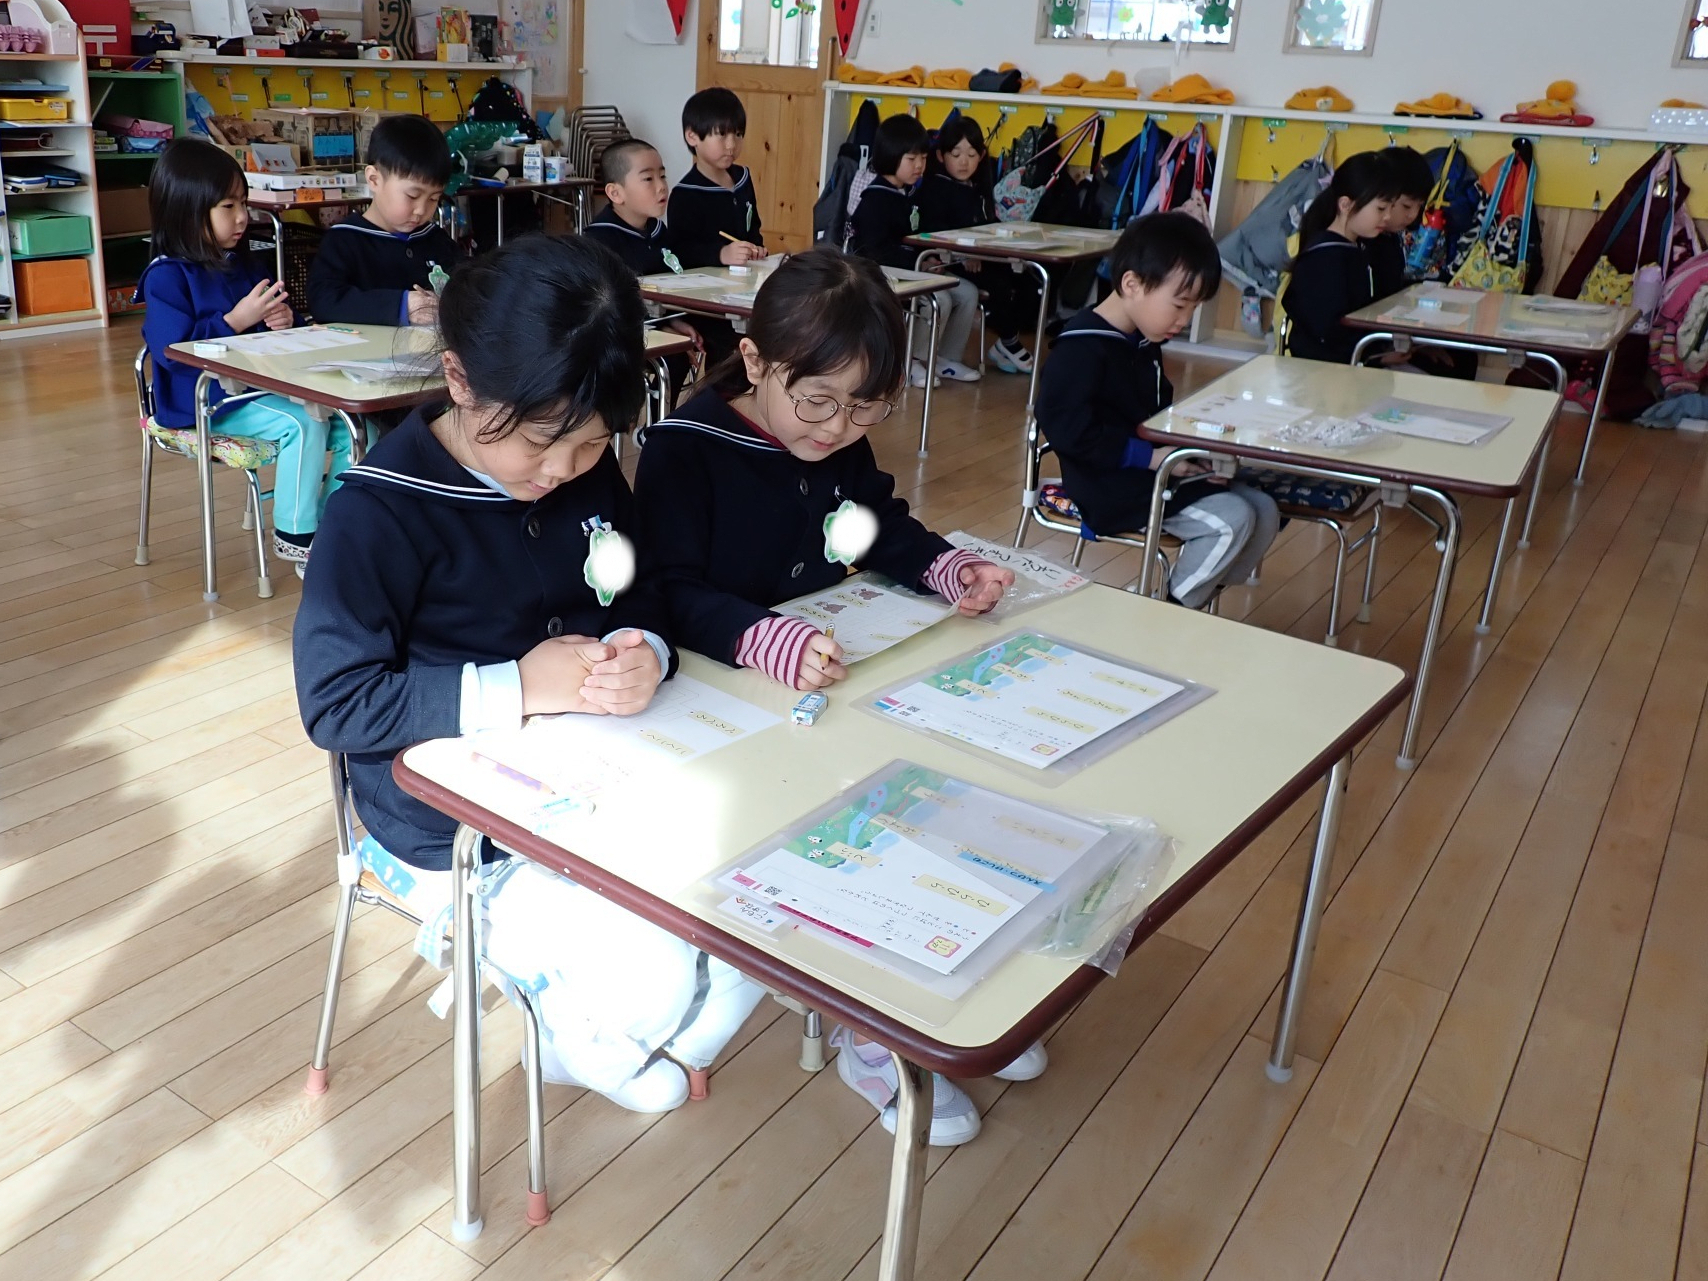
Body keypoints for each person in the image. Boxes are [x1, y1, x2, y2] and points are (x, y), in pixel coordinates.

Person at [293, 234, 765, 1114]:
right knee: (668, 968)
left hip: (598, 781)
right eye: (544, 444)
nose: (562, 472)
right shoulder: (378, 512)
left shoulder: (585, 475)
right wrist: (520, 685)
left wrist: (645, 649)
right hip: (447, 831)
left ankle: (595, 1030)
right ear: (460, 379)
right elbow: (336, 703)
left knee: (756, 914)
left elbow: (639, 586)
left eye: (591, 447)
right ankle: (583, 1035)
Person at [631, 247, 1041, 1146]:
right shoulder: (686, 449)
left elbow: (874, 524)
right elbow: (664, 591)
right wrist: (760, 636)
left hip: (825, 674)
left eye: (866, 407)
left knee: (921, 792)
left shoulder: (839, 431)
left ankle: (948, 980)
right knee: (839, 835)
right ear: (754, 360)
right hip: (723, 697)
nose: (838, 426)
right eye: (817, 401)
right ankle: (871, 1030)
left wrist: (945, 566)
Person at [1035, 213, 1279, 609]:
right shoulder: (1079, 349)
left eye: (1193, 309)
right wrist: (1150, 458)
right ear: (1131, 284)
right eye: (1179, 305)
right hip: (1108, 486)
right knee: (1231, 520)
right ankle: (1164, 611)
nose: (1184, 321)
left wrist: (1190, 455)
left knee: (1265, 510)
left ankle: (1192, 597)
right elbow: (1068, 430)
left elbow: (1155, 416)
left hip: (1152, 473)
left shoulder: (1141, 340)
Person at [137, 137, 354, 576]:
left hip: (256, 391)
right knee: (303, 422)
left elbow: (274, 330)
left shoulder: (243, 263)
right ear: (186, 211)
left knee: (354, 425)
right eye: (227, 206)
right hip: (204, 405)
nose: (242, 217)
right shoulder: (166, 277)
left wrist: (284, 321)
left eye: (243, 203)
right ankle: (297, 537)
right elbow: (173, 352)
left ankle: (335, 526)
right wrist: (236, 321)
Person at [850, 114, 981, 387]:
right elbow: (875, 251)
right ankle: (909, 361)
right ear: (891, 157)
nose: (920, 165)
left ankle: (945, 358)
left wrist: (929, 258)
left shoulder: (908, 193)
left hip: (911, 268)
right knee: (939, 299)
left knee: (967, 292)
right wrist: (918, 262)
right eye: (912, 159)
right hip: (881, 272)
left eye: (923, 158)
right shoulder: (875, 199)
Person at [307, 114, 462, 327]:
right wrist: (401, 306)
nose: (421, 210)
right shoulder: (344, 240)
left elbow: (470, 284)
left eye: (434, 199)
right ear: (374, 180)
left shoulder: (435, 239)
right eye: (412, 196)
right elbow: (323, 301)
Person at [918, 115, 1039, 375]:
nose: (964, 161)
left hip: (980, 256)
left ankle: (1006, 342)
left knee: (1029, 280)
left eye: (972, 154)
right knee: (999, 285)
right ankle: (1008, 341)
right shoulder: (935, 188)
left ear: (982, 156)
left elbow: (987, 225)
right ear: (940, 156)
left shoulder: (979, 187)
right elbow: (934, 232)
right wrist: (965, 253)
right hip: (950, 260)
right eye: (956, 154)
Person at [585, 136, 706, 389]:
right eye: (648, 179)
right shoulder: (600, 241)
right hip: (613, 336)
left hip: (654, 326)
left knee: (705, 335)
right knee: (672, 358)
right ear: (615, 193)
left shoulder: (658, 232)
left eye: (662, 176)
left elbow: (666, 288)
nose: (662, 187)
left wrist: (672, 321)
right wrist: (657, 328)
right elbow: (607, 307)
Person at [1280, 151, 1393, 364]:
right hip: (1323, 371)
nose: (1387, 216)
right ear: (1345, 205)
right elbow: (1329, 336)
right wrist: (1378, 357)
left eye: (1390, 208)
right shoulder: (1324, 259)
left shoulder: (1354, 248)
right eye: (1381, 208)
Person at [668, 87, 766, 269]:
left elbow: (753, 228)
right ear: (692, 137)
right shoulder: (684, 194)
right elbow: (680, 251)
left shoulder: (743, 177)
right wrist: (721, 254)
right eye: (722, 134)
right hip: (707, 280)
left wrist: (756, 248)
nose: (731, 145)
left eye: (738, 134)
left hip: (745, 274)